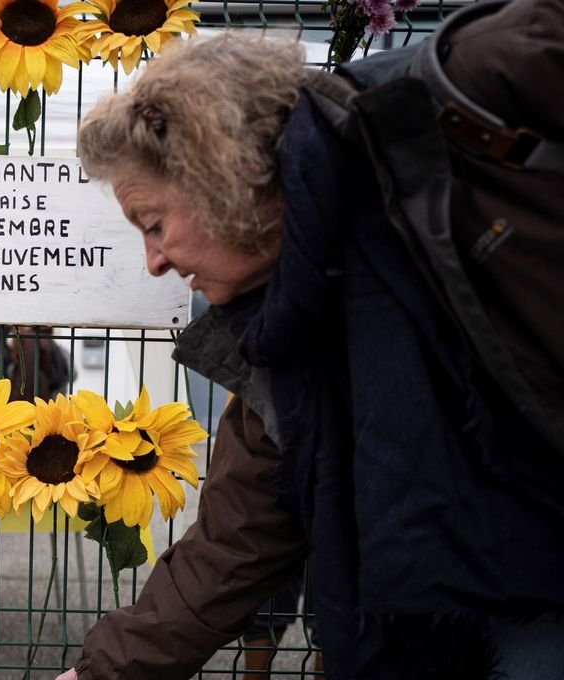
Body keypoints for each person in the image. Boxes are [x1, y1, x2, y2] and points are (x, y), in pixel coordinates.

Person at [61, 2, 564, 678]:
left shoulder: (461, 90)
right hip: (499, 586)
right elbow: (238, 534)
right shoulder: (281, 333)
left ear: (216, 179)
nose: (154, 260)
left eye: (153, 223)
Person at [6, 325, 70, 401]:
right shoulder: (44, 339)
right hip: (44, 396)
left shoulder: (30, 340)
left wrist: (15, 402)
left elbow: (26, 376)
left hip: (34, 399)